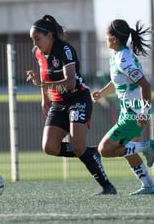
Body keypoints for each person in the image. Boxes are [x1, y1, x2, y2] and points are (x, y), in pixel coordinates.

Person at [26, 14, 117, 195]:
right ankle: (90, 152)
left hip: (78, 98)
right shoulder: (38, 53)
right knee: (49, 147)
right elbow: (44, 75)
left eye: (38, 39)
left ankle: (107, 186)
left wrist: (42, 86)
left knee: (76, 146)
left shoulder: (64, 49)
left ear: (50, 35)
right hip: (58, 103)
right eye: (32, 40)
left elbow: (70, 83)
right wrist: (44, 98)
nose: (35, 43)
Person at [91, 19, 154, 195]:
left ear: (113, 38)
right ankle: (148, 185)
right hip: (127, 111)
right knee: (125, 150)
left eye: (106, 36)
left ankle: (146, 146)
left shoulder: (123, 59)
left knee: (104, 150)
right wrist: (101, 94)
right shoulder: (118, 56)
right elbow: (117, 82)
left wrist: (143, 113)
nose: (105, 39)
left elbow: (145, 85)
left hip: (134, 113)